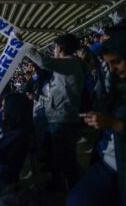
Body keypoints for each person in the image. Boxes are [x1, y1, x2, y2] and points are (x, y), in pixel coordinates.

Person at [67, 30, 126, 206]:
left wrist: (112, 123)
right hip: (108, 162)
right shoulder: (118, 87)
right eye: (109, 64)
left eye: (117, 62)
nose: (112, 69)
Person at [25, 33, 84, 190]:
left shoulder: (69, 62)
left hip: (63, 119)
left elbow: (44, 62)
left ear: (61, 48)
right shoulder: (70, 64)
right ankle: (60, 183)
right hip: (60, 118)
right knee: (60, 156)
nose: (53, 51)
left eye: (55, 47)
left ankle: (74, 189)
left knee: (66, 158)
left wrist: (24, 47)